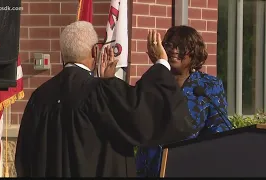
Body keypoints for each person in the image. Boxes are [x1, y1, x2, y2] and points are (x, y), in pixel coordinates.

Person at [15, 21, 197, 177]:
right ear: (96, 51)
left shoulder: (39, 96)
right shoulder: (101, 91)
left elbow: (24, 158)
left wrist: (107, 84)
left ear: (62, 55)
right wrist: (161, 64)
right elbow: (144, 114)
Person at [135, 25, 233, 177]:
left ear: (194, 53)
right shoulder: (153, 80)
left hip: (192, 168)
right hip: (151, 169)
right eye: (169, 45)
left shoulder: (208, 86)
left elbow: (220, 129)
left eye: (181, 47)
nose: (174, 50)